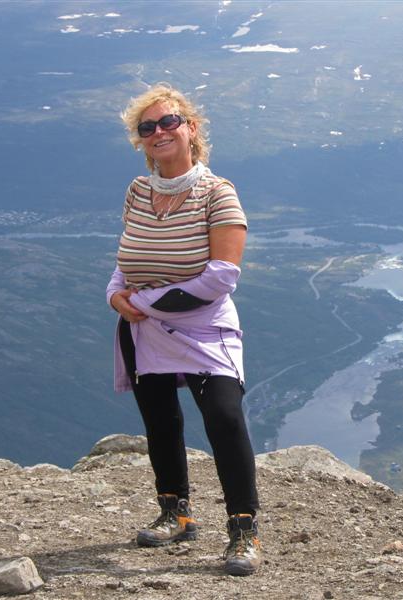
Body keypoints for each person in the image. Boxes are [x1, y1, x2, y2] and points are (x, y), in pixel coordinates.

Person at [105, 83, 261, 576]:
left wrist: (141, 302)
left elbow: (222, 277)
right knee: (161, 422)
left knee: (224, 419)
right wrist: (114, 293)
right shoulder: (138, 191)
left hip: (203, 328)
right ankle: (176, 512)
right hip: (145, 330)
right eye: (147, 127)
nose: (159, 132)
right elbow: (128, 258)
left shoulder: (218, 193)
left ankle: (243, 530)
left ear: (191, 129)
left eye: (169, 121)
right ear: (140, 140)